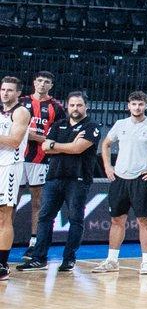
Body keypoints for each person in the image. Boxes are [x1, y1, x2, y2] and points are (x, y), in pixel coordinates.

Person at [24, 91, 99, 274]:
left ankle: (69, 259)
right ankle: (38, 258)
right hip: (54, 178)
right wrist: (66, 147)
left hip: (78, 180)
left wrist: (56, 146)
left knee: (75, 219)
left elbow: (77, 149)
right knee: (44, 218)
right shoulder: (59, 125)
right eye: (72, 105)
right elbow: (45, 147)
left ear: (86, 106)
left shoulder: (91, 126)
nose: (75, 108)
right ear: (67, 106)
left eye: (79, 105)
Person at [96, 91, 147, 274]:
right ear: (128, 106)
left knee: (144, 220)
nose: (137, 107)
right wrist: (108, 166)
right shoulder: (120, 125)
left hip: (142, 178)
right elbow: (106, 144)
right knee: (117, 220)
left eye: (140, 104)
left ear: (146, 106)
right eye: (134, 104)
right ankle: (112, 261)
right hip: (120, 178)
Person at [16, 71, 57, 264]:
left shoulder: (56, 108)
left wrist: (32, 136)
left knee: (37, 203)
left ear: (51, 85)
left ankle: (34, 243)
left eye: (46, 82)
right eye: (39, 80)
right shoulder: (21, 102)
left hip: (40, 160)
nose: (42, 84)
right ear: (34, 82)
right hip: (15, 158)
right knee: (8, 202)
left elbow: (56, 136)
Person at [0, 76, 27, 282]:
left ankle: (2, 265)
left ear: (18, 93)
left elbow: (15, 141)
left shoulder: (20, 112)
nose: (5, 93)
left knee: (4, 215)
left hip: (9, 167)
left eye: (10, 90)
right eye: (3, 89)